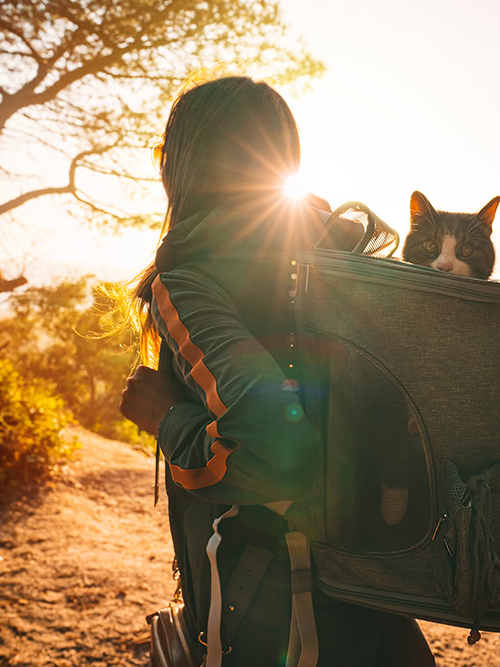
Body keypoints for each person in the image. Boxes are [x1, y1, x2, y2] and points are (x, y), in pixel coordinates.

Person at [119, 76, 435, 666]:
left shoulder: (190, 277)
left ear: (184, 164)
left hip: (276, 622)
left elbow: (278, 456)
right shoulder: (347, 262)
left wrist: (166, 418)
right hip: (376, 611)